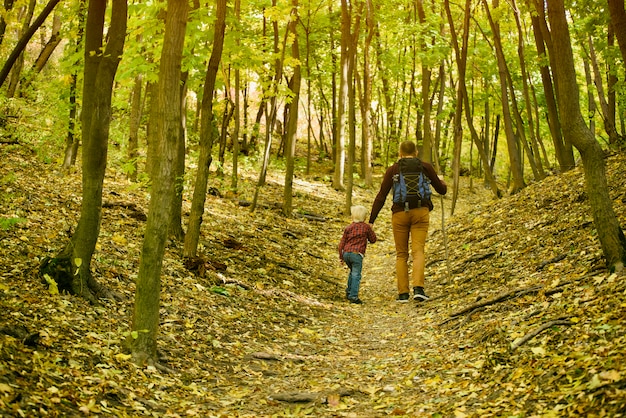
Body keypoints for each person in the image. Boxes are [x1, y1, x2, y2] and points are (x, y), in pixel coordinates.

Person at [368, 140, 447, 302]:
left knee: (401, 254)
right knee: (418, 251)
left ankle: (403, 294)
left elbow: (381, 196)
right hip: (420, 213)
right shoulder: (425, 167)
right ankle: (419, 289)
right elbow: (442, 190)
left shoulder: (393, 170)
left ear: (400, 153)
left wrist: (371, 220)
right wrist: (441, 180)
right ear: (416, 152)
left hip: (399, 214)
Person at [338, 205, 377, 304]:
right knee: (356, 274)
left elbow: (341, 243)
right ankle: (353, 296)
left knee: (352, 272)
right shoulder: (366, 227)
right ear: (364, 217)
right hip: (357, 254)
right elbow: (373, 240)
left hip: (346, 253)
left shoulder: (348, 228)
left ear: (352, 216)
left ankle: (349, 291)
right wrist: (371, 230)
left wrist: (341, 256)